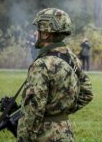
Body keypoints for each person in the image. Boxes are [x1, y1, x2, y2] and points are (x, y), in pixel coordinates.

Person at [17, 8, 94, 141]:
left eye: (38, 30)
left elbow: (34, 109)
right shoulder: (72, 58)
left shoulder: (41, 64)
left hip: (44, 135)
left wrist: (23, 138)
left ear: (46, 34)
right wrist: (62, 110)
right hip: (66, 133)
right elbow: (87, 92)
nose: (36, 33)